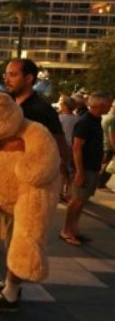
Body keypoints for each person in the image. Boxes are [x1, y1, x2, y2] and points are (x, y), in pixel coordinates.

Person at [0, 58, 68, 312]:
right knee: (11, 236)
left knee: (22, 237)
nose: (7, 79)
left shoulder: (40, 110)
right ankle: (9, 280)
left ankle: (11, 294)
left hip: (29, 189)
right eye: (6, 74)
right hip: (10, 186)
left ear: (29, 79)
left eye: (13, 74)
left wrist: (65, 174)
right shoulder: (12, 107)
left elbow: (58, 145)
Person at [60, 92, 111, 245]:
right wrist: (80, 172)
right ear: (99, 105)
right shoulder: (85, 122)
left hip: (91, 168)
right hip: (84, 168)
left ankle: (74, 229)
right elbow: (77, 148)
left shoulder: (95, 120)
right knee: (76, 201)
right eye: (108, 104)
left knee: (81, 200)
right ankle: (66, 230)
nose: (110, 106)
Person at [58, 96, 80, 199]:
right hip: (73, 146)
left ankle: (60, 191)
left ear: (65, 106)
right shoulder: (78, 119)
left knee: (61, 170)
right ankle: (69, 192)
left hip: (61, 147)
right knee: (71, 171)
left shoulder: (60, 118)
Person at [97, 99, 115, 191]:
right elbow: (112, 135)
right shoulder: (113, 119)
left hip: (103, 143)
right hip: (108, 145)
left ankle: (98, 183)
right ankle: (100, 183)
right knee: (106, 166)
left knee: (102, 165)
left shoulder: (105, 116)